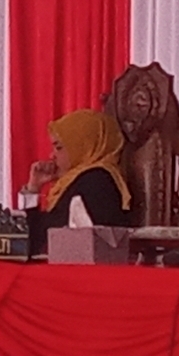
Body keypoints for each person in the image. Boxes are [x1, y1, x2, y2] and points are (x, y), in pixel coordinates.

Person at [19, 109, 131, 255]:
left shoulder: (96, 181)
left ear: (84, 146)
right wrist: (33, 188)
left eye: (59, 147)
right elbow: (32, 237)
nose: (52, 155)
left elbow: (44, 237)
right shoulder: (78, 180)